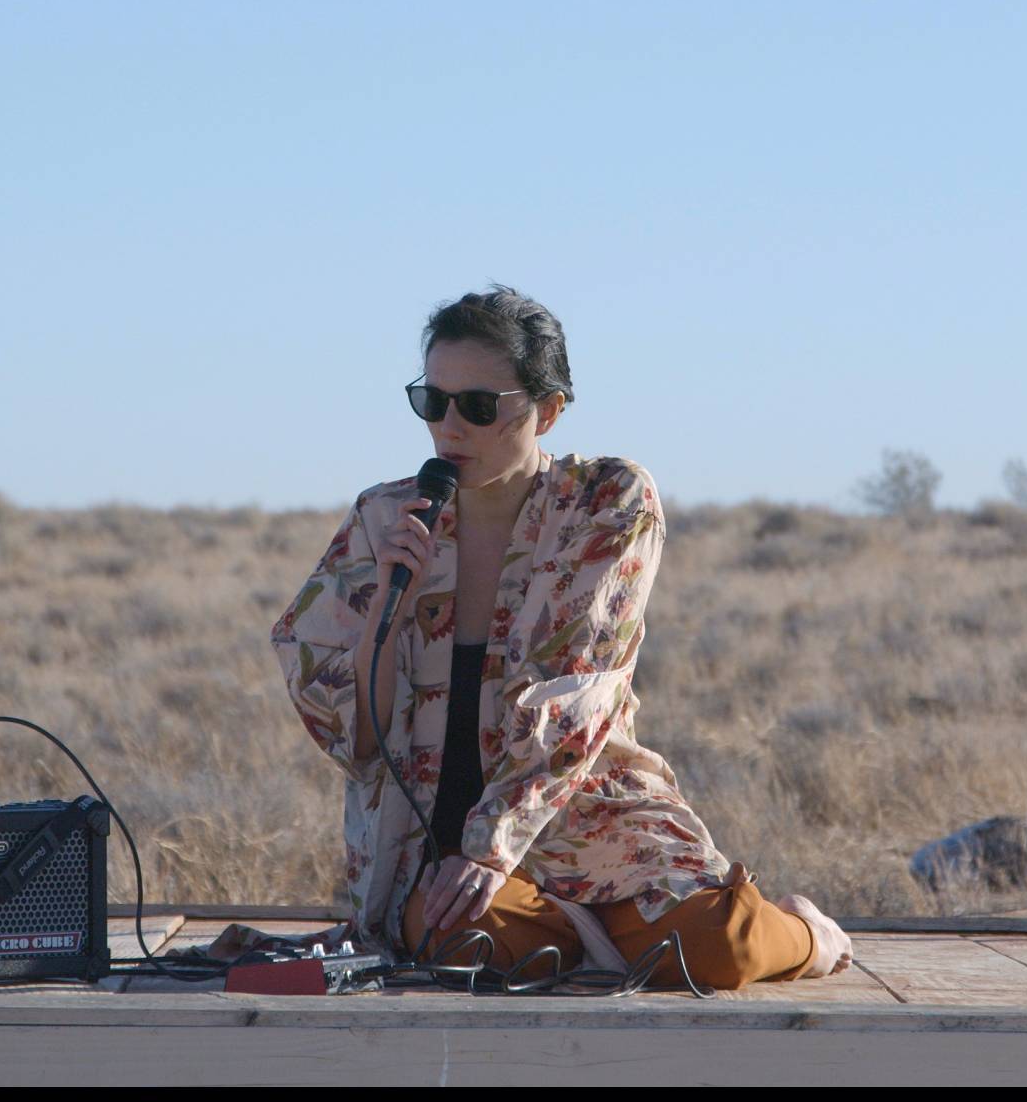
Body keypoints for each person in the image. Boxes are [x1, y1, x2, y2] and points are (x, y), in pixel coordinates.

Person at [271, 284, 851, 991]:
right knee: (445, 938)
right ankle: (600, 944)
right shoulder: (383, 517)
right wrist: (386, 611)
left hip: (585, 818)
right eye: (433, 401)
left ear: (547, 411)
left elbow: (577, 691)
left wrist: (494, 846)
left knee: (716, 949)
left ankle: (804, 932)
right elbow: (357, 738)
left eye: (480, 407)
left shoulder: (606, 502)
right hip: (439, 849)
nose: (450, 427)